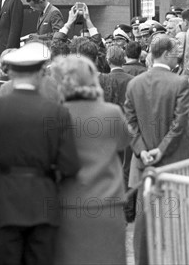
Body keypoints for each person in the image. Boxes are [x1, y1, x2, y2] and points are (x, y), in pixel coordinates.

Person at [0, 42, 80, 265]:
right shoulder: (57, 112)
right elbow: (70, 165)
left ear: (11, 72)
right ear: (41, 73)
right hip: (43, 202)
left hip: (1, 202)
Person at [124, 35, 189, 265]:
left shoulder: (133, 83)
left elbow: (130, 122)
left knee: (144, 225)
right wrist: (161, 150)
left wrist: (142, 150)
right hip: (174, 164)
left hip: (144, 165)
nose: (178, 53)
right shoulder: (179, 83)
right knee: (173, 227)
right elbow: (181, 123)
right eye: (176, 50)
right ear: (166, 53)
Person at [51, 54, 130, 265]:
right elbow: (123, 142)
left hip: (67, 205)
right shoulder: (112, 112)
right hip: (107, 205)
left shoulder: (54, 116)